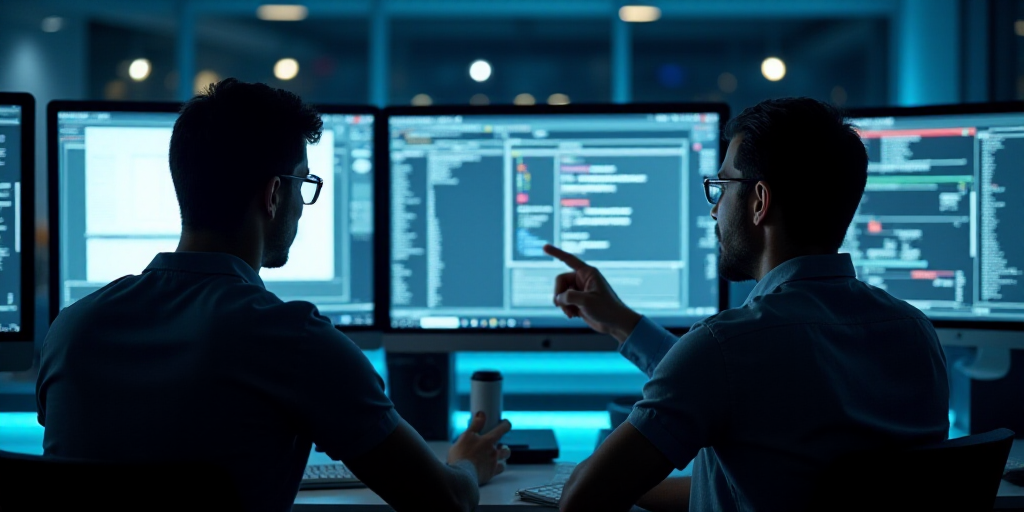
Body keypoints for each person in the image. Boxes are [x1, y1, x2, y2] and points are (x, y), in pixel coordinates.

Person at [36, 78, 510, 512]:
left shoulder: (72, 329)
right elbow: (446, 502)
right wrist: (468, 462)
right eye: (304, 184)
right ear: (274, 196)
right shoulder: (294, 341)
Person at [545, 98, 949, 512]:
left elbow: (580, 501)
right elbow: (768, 481)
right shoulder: (916, 332)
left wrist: (625, 477)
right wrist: (621, 323)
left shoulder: (725, 346)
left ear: (759, 201)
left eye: (721, 187)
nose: (715, 209)